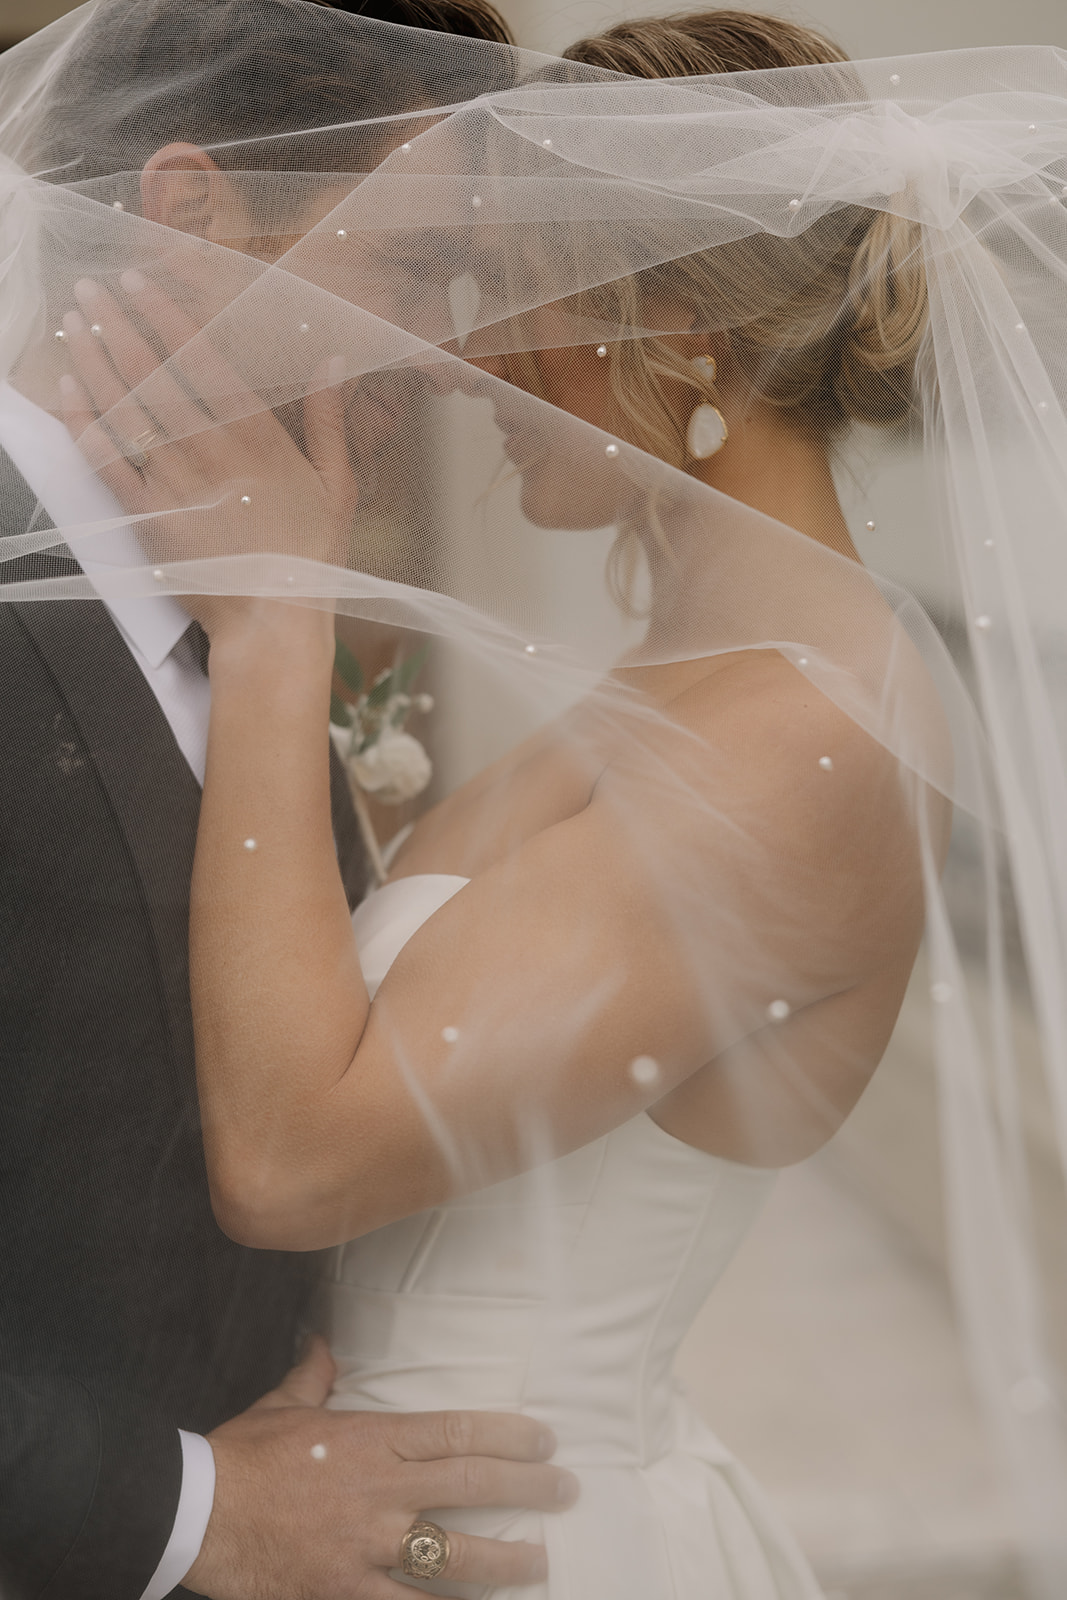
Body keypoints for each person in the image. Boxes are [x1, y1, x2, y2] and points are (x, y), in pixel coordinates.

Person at [48, 5, 968, 1594]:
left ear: (676, 325)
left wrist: (278, 637)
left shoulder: (806, 741)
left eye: (516, 290)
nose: (465, 356)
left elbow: (288, 1158)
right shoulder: (685, 681)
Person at [0, 4, 582, 1599]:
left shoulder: (258, 603)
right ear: (189, 212)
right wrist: (190, 1512)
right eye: (410, 276)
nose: (450, 357)